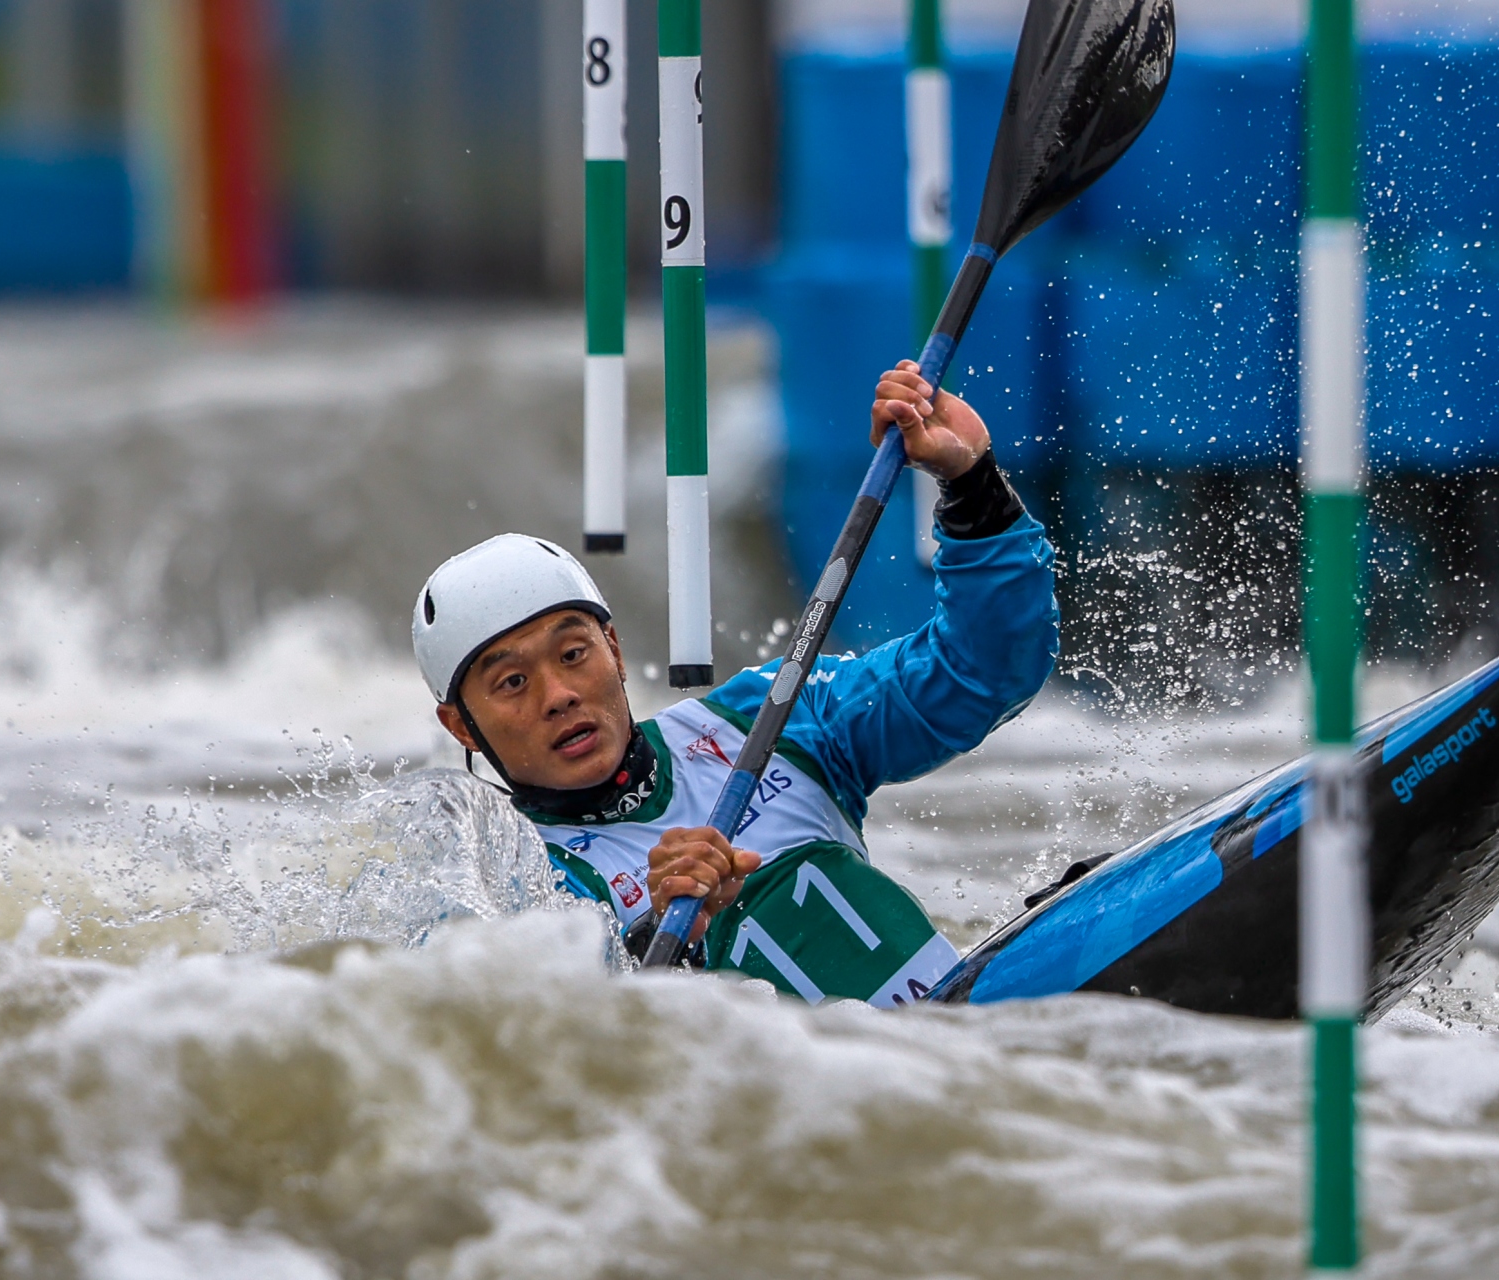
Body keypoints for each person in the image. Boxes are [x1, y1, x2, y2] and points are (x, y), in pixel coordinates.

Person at [410, 361, 1058, 1007]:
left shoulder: (768, 717)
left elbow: (978, 672)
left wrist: (971, 482)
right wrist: (655, 946)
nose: (558, 694)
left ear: (614, 648)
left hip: (969, 1048)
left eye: (574, 653)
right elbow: (562, 1056)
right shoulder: (503, 882)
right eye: (514, 681)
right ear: (461, 726)